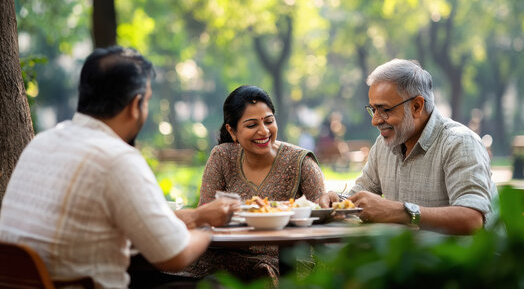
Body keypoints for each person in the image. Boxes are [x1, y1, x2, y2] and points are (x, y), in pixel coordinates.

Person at [0, 46, 239, 289]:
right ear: (136, 105)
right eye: (146, 101)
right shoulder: (117, 158)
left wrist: (197, 216)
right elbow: (174, 255)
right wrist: (209, 232)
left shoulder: (42, 142)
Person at [319, 59, 498, 235]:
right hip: (410, 259)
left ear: (416, 106)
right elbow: (358, 196)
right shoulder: (384, 145)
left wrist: (400, 212)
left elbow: (473, 220)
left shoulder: (460, 143)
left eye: (385, 110)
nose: (375, 120)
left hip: (464, 261)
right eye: (373, 110)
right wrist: (337, 201)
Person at [182, 85, 325, 283]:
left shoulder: (301, 163)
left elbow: (322, 221)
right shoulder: (222, 157)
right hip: (226, 257)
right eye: (251, 125)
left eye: (269, 121)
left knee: (260, 273)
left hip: (286, 263)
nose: (264, 131)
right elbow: (205, 215)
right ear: (232, 131)